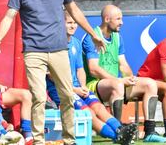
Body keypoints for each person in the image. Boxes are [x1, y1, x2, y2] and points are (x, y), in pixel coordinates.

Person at [0, 0, 105, 145]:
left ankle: (69, 141)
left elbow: (75, 11)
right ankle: (38, 141)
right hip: (33, 52)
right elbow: (10, 15)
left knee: (67, 96)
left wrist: (93, 34)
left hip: (59, 51)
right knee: (38, 96)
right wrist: (0, 36)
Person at [46, 11, 136, 145]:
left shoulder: (75, 43)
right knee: (88, 113)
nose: (73, 26)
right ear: (60, 24)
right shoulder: (52, 44)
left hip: (78, 88)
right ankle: (116, 136)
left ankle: (120, 129)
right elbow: (52, 75)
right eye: (69, 23)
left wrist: (82, 86)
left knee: (99, 108)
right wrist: (74, 90)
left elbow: (80, 69)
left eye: (75, 23)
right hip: (63, 92)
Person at [82, 5, 166, 142]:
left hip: (116, 83)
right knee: (117, 84)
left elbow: (123, 63)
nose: (122, 22)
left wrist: (130, 78)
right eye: (118, 19)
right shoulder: (92, 37)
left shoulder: (117, 37)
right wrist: (120, 81)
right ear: (106, 19)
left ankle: (149, 132)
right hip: (94, 85)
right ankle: (119, 133)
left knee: (150, 84)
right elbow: (93, 69)